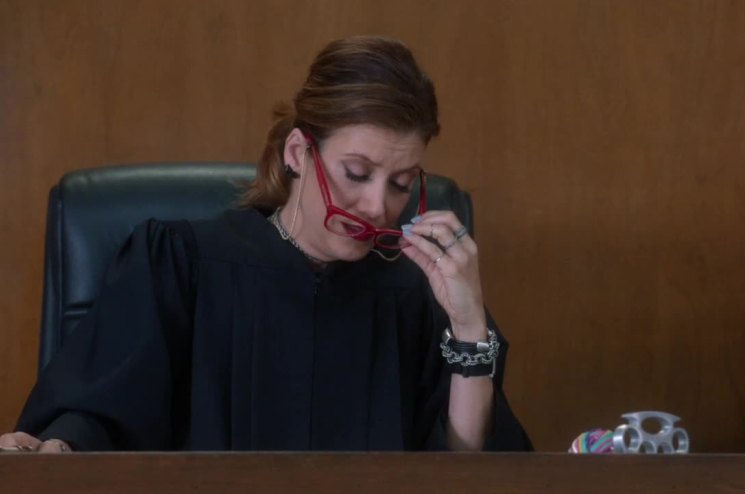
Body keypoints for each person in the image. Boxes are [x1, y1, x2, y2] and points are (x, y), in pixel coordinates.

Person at [0, 35, 531, 453]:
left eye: (400, 183)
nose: (377, 206)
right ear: (298, 152)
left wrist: (468, 328)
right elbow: (99, 414)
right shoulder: (181, 264)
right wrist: (59, 445)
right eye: (356, 173)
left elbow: (466, 470)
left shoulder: (414, 294)